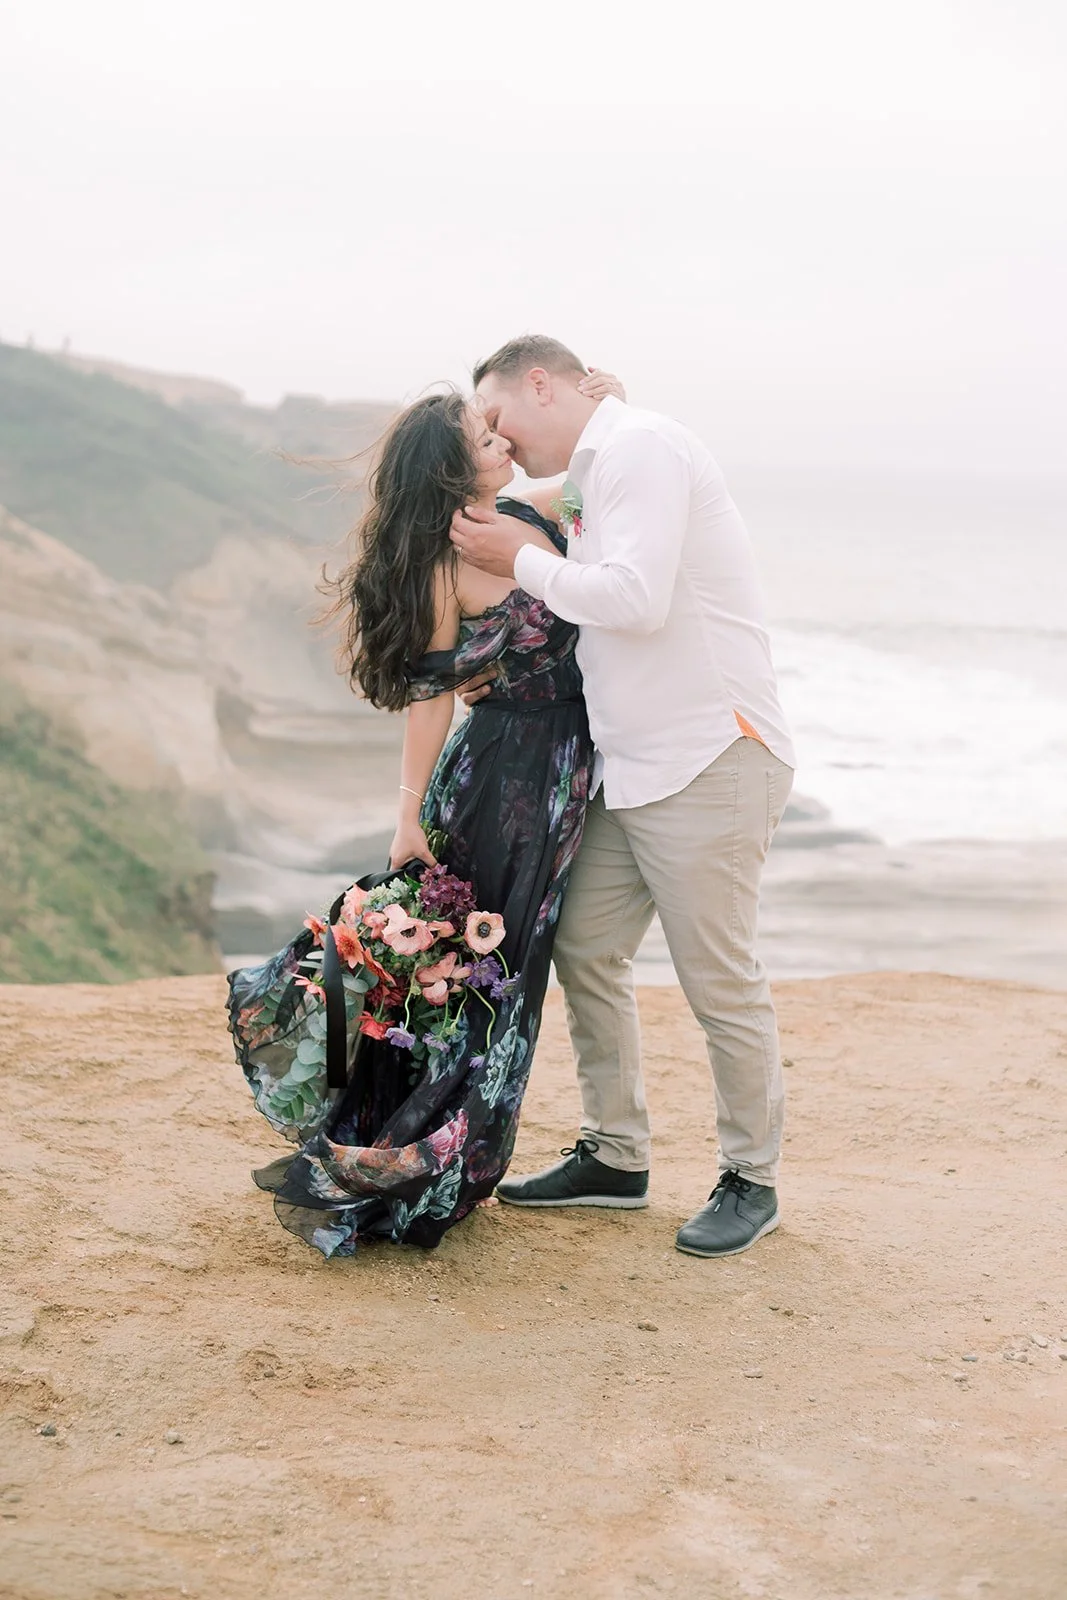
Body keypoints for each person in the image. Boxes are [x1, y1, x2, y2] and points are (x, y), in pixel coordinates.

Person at [233, 374, 621, 1256]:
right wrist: (407, 816)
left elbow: (607, 478)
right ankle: (423, 1164)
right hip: (503, 781)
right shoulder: (450, 558)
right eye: (483, 440)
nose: (501, 441)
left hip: (566, 770)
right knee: (481, 976)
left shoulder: (523, 510)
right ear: (452, 475)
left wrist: (611, 397)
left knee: (502, 974)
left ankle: (459, 1157)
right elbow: (430, 699)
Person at [451, 336, 796, 1258]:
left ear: (540, 382)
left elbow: (635, 599)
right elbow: (527, 504)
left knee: (716, 976)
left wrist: (520, 558)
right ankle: (614, 1155)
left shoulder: (641, 446)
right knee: (585, 945)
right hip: (632, 766)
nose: (498, 436)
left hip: (711, 755)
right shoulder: (598, 466)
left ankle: (750, 1178)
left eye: (498, 415)